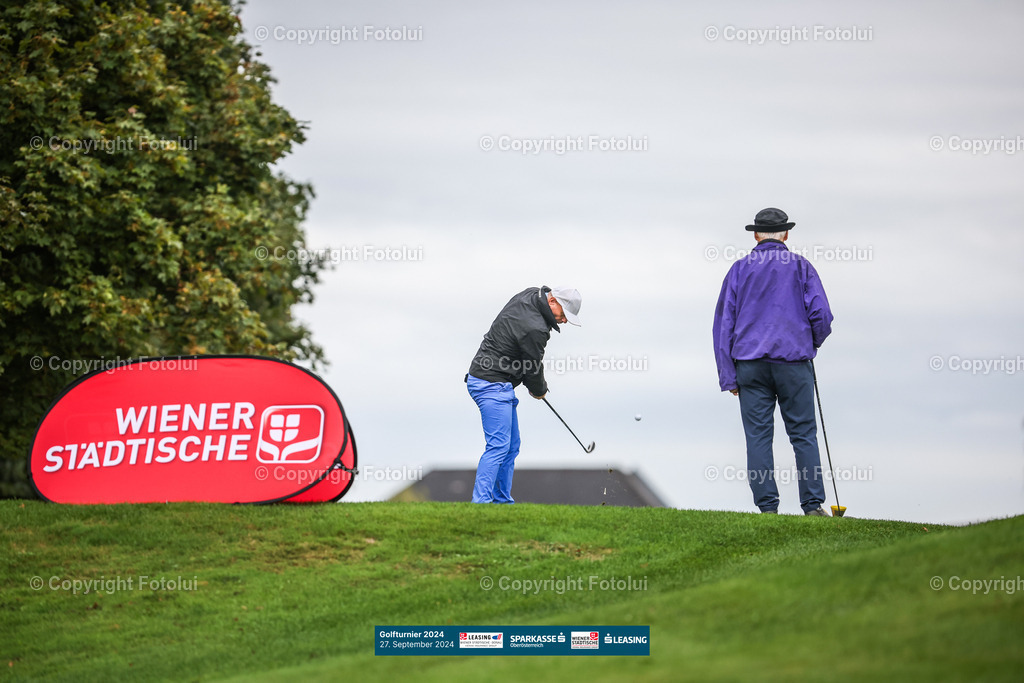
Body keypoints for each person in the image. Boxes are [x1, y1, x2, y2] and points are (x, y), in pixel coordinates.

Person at [712, 208, 834, 516]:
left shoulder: (739, 269)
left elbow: (722, 325)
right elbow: (822, 316)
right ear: (786, 234)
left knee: (758, 438)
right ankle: (812, 506)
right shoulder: (801, 267)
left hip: (750, 365)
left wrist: (729, 377)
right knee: (804, 434)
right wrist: (809, 342)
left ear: (755, 234)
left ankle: (767, 509)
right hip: (794, 362)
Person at [466, 285, 582, 503]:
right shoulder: (536, 328)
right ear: (553, 302)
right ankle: (480, 504)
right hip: (490, 382)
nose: (564, 321)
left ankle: (502, 501)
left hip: (496, 380)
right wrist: (538, 390)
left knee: (511, 446)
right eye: (565, 315)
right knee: (499, 446)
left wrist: (533, 384)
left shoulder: (530, 294)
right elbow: (532, 365)